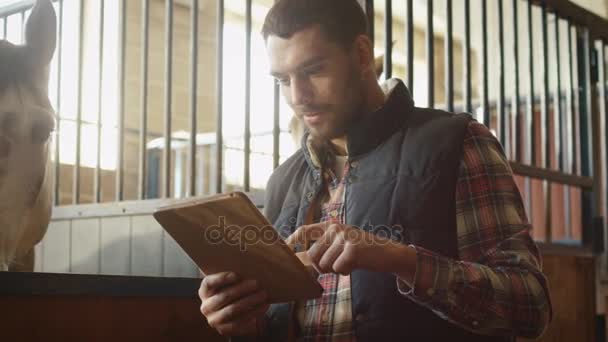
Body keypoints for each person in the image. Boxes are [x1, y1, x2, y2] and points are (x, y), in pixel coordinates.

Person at [198, 0, 552, 341]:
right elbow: (278, 323)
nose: (298, 96)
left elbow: (529, 305)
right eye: (282, 80)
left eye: (313, 70)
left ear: (363, 54)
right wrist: (243, 320)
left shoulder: (456, 141)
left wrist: (399, 259)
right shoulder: (282, 181)